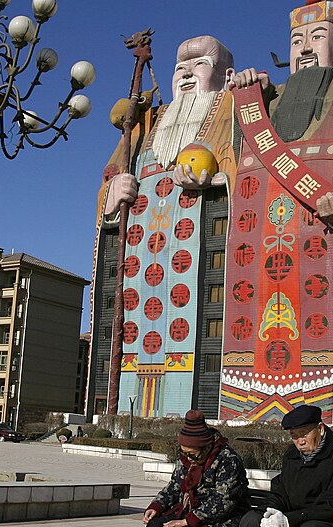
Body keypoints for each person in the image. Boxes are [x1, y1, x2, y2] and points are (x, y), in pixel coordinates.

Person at [220, 0, 333, 422]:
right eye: (296, 40)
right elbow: (225, 157)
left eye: (318, 37)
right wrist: (250, 94)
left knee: (323, 332)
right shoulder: (265, 97)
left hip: (321, 237)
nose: (305, 48)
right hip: (257, 236)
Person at [92, 35, 236, 417]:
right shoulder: (146, 126)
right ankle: (124, 414)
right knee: (130, 347)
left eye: (200, 64)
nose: (187, 74)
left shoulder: (234, 109)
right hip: (139, 269)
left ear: (226, 75)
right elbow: (109, 178)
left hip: (197, 265)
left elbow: (254, 169)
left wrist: (219, 181)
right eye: (179, 68)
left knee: (192, 344)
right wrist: (111, 195)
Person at [84, 410, 250, 527]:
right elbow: (174, 486)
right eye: (184, 453)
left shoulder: (228, 459)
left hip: (225, 523)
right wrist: (157, 505)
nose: (188, 458)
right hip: (193, 516)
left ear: (206, 447)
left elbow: (223, 502)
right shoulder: (187, 458)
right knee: (157, 526)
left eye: (192, 454)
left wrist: (186, 522)